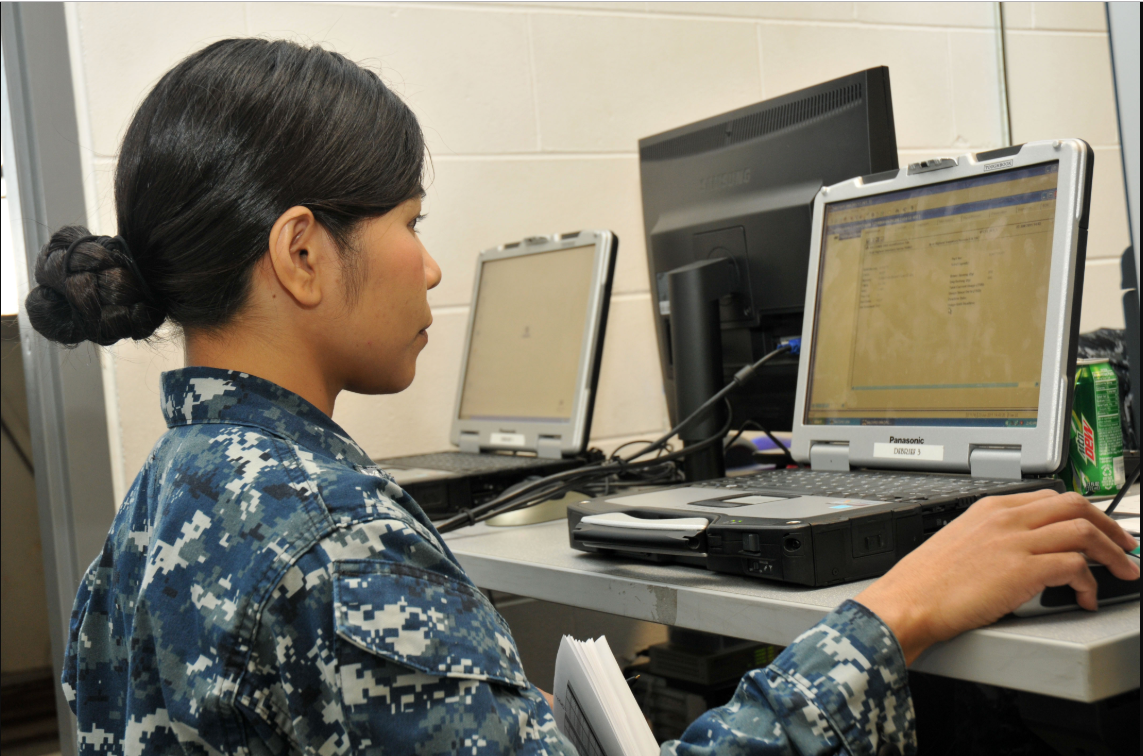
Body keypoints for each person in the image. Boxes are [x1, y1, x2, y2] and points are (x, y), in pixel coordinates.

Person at [26, 39, 1137, 756]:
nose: (432, 266)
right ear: (303, 254)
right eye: (410, 224)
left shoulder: (164, 497)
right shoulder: (332, 541)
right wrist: (896, 613)